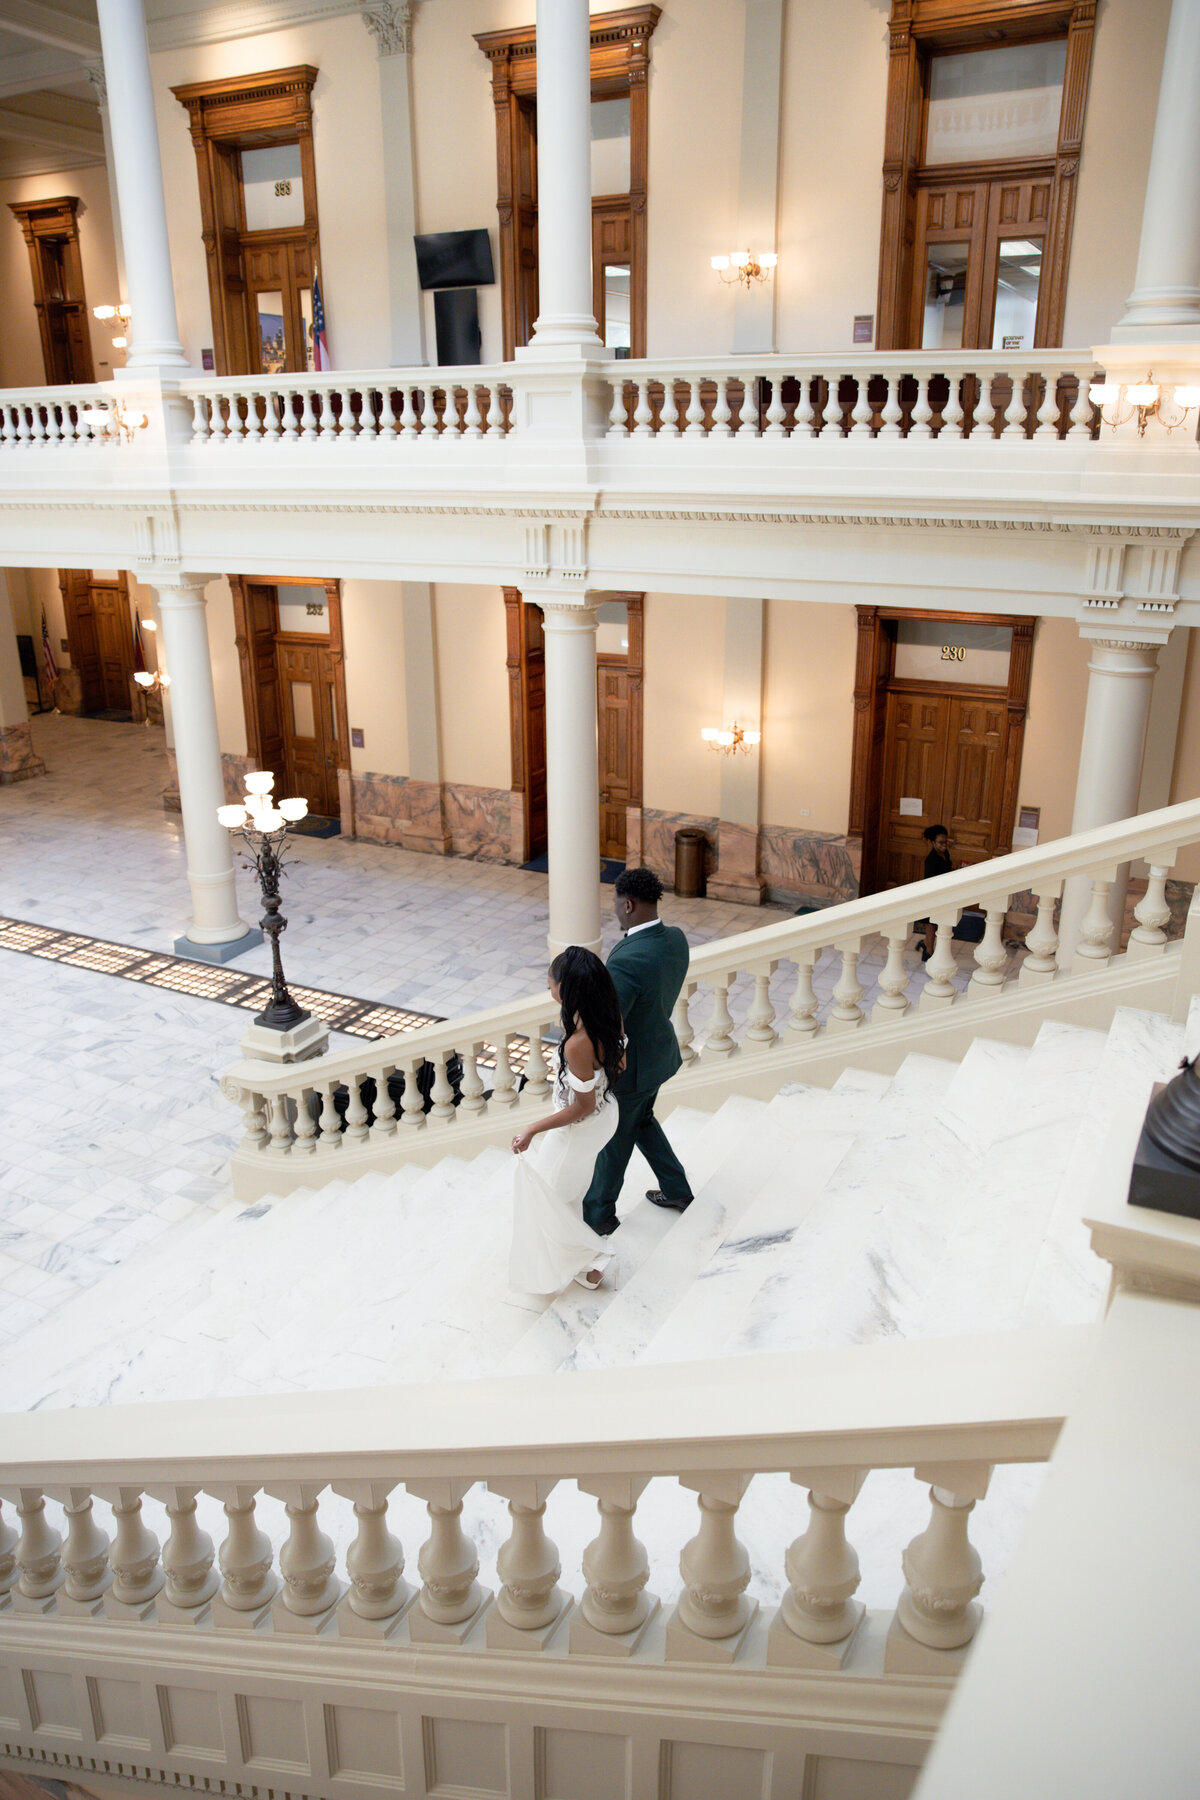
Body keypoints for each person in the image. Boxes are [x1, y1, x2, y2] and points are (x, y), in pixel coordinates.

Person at [582, 866, 693, 1236]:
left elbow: (610, 1026)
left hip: (633, 1071)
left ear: (627, 904)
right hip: (661, 1056)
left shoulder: (627, 960)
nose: (614, 911)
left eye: (615, 905)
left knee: (615, 1142)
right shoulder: (675, 939)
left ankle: (598, 1215)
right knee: (642, 1121)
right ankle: (678, 1191)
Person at [509, 946, 625, 1295]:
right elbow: (620, 1067)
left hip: (581, 1129)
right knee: (568, 1194)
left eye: (552, 981)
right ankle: (584, 1267)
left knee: (548, 1199)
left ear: (569, 988)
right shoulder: (608, 1016)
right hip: (606, 1118)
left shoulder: (578, 1043)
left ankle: (596, 1259)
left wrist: (532, 1128)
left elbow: (582, 1106)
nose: (549, 985)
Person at [916, 822, 953, 961]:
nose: (944, 845)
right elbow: (931, 882)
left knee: (938, 924)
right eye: (940, 842)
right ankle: (928, 951)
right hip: (933, 896)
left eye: (946, 842)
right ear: (932, 842)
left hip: (943, 894)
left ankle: (926, 946)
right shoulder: (931, 860)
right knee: (931, 925)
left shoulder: (945, 854)